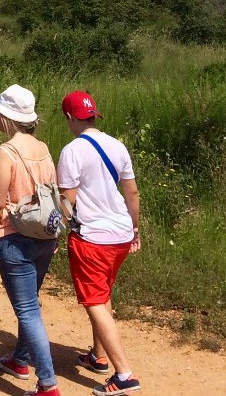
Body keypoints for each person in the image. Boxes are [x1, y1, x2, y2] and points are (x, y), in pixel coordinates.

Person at [58, 90, 142, 396]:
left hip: (92, 238)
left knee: (93, 302)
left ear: (69, 117)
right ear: (94, 115)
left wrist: (56, 230)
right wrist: (135, 229)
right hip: (120, 234)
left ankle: (124, 375)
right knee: (103, 292)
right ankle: (99, 356)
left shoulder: (72, 151)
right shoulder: (117, 145)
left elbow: (68, 201)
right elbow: (131, 193)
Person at [0, 85, 63, 396]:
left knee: (28, 309)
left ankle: (48, 383)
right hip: (44, 237)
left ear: (6, 118)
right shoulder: (44, 148)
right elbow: (53, 194)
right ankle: (19, 359)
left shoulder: (7, 152)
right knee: (30, 301)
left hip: (15, 237)